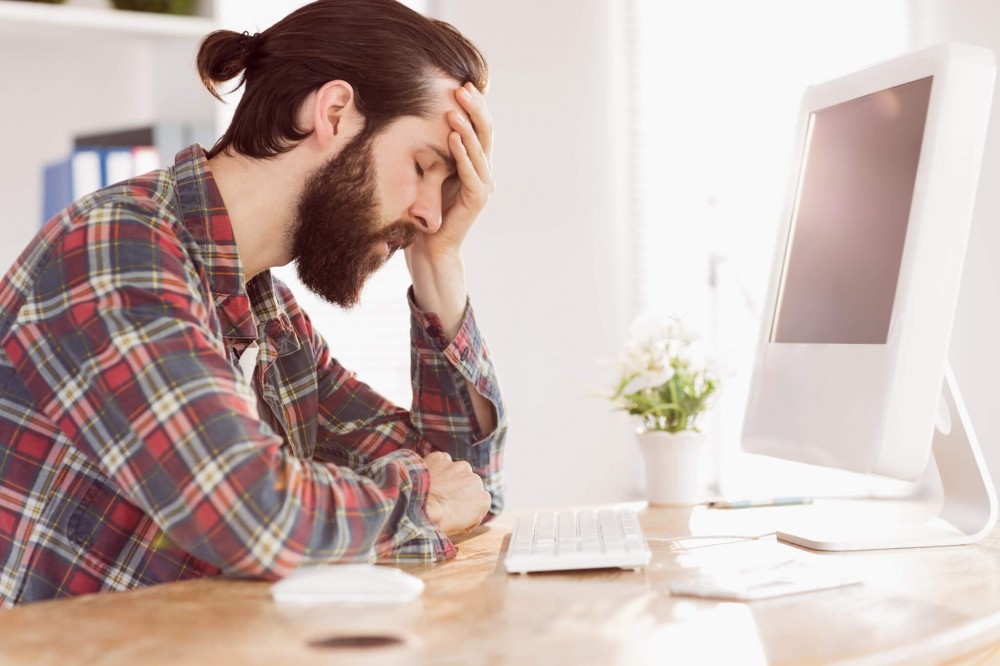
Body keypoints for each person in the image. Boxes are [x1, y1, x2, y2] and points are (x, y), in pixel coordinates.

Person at [0, 0, 505, 607]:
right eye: (424, 166)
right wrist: (420, 501)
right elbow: (247, 515)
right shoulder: (116, 246)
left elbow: (466, 482)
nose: (430, 212)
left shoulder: (268, 314)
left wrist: (438, 264)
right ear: (335, 112)